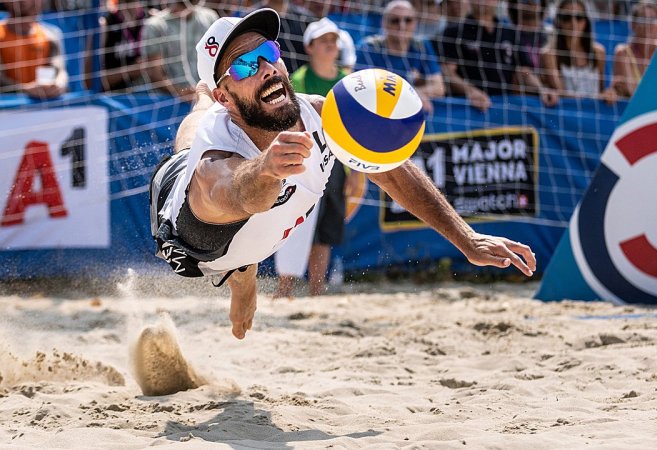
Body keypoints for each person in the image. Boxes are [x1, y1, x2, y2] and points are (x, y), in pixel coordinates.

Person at [149, 8, 536, 340]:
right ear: (227, 95)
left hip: (248, 202)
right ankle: (242, 271)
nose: (266, 68)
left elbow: (393, 171)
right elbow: (234, 191)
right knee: (193, 133)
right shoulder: (215, 159)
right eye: (246, 65)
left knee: (216, 143)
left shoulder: (322, 113)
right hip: (191, 236)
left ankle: (243, 265)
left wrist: (467, 238)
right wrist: (267, 168)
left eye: (268, 52)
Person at [274, 17, 350, 298]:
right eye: (324, 40)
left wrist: (359, 176)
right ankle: (285, 291)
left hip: (339, 163)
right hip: (304, 160)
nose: (331, 45)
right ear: (310, 46)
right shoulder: (298, 80)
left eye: (334, 40)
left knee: (326, 231)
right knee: (294, 224)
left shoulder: (347, 82)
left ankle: (316, 292)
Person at [436, 0, 544, 111]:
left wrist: (541, 89)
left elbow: (524, 71)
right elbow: (448, 72)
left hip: (504, 106)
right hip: (469, 109)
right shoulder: (454, 32)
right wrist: (471, 92)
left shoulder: (509, 31)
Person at [356, 0, 443, 113]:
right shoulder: (369, 47)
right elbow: (362, 90)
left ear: (416, 23)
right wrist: (412, 95)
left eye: (408, 20)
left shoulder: (421, 46)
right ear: (384, 23)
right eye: (395, 21)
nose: (402, 26)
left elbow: (439, 87)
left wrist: (416, 92)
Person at [139, 0, 218, 100]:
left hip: (210, 95)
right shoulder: (155, 26)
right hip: (170, 101)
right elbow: (155, 73)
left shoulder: (209, 17)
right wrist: (181, 93)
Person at [540, 0, 616, 104]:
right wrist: (598, 97)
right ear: (559, 21)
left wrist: (610, 94)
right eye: (567, 18)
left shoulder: (598, 51)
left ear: (586, 21)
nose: (573, 23)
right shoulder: (549, 54)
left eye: (579, 17)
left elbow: (601, 89)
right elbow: (561, 93)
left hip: (594, 113)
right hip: (567, 115)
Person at [0, 0, 68, 99]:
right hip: (7, 108)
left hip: (44, 107)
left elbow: (60, 71)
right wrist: (26, 90)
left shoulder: (50, 35)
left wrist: (58, 84)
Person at [611, 0, 657, 98]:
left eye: (652, 19)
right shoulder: (623, 52)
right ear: (632, 25)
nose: (648, 24)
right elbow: (632, 95)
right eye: (642, 19)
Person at [98, 0, 147, 91]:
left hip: (146, 92)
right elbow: (96, 80)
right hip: (115, 96)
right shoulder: (106, 23)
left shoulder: (148, 20)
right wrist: (129, 72)